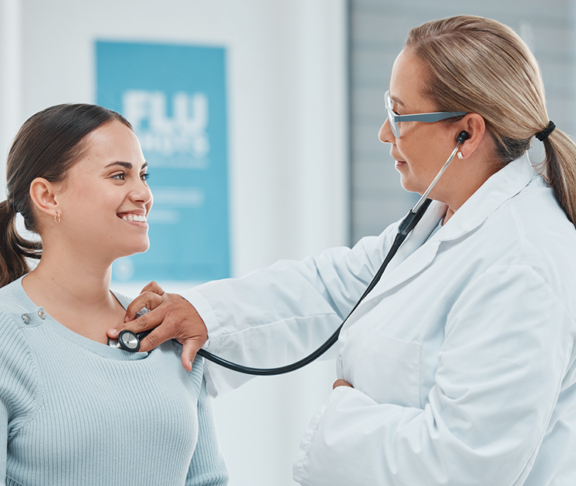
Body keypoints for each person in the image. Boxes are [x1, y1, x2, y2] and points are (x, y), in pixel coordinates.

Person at [110, 15, 576, 485]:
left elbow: (467, 468)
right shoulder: (442, 219)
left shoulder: (522, 265)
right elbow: (335, 287)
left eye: (400, 113)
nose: (383, 132)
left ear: (467, 134)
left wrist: (343, 421)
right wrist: (204, 312)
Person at [0, 104, 228, 485]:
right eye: (119, 175)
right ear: (48, 196)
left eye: (143, 174)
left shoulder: (165, 326)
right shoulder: (7, 336)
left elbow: (207, 480)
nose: (143, 193)